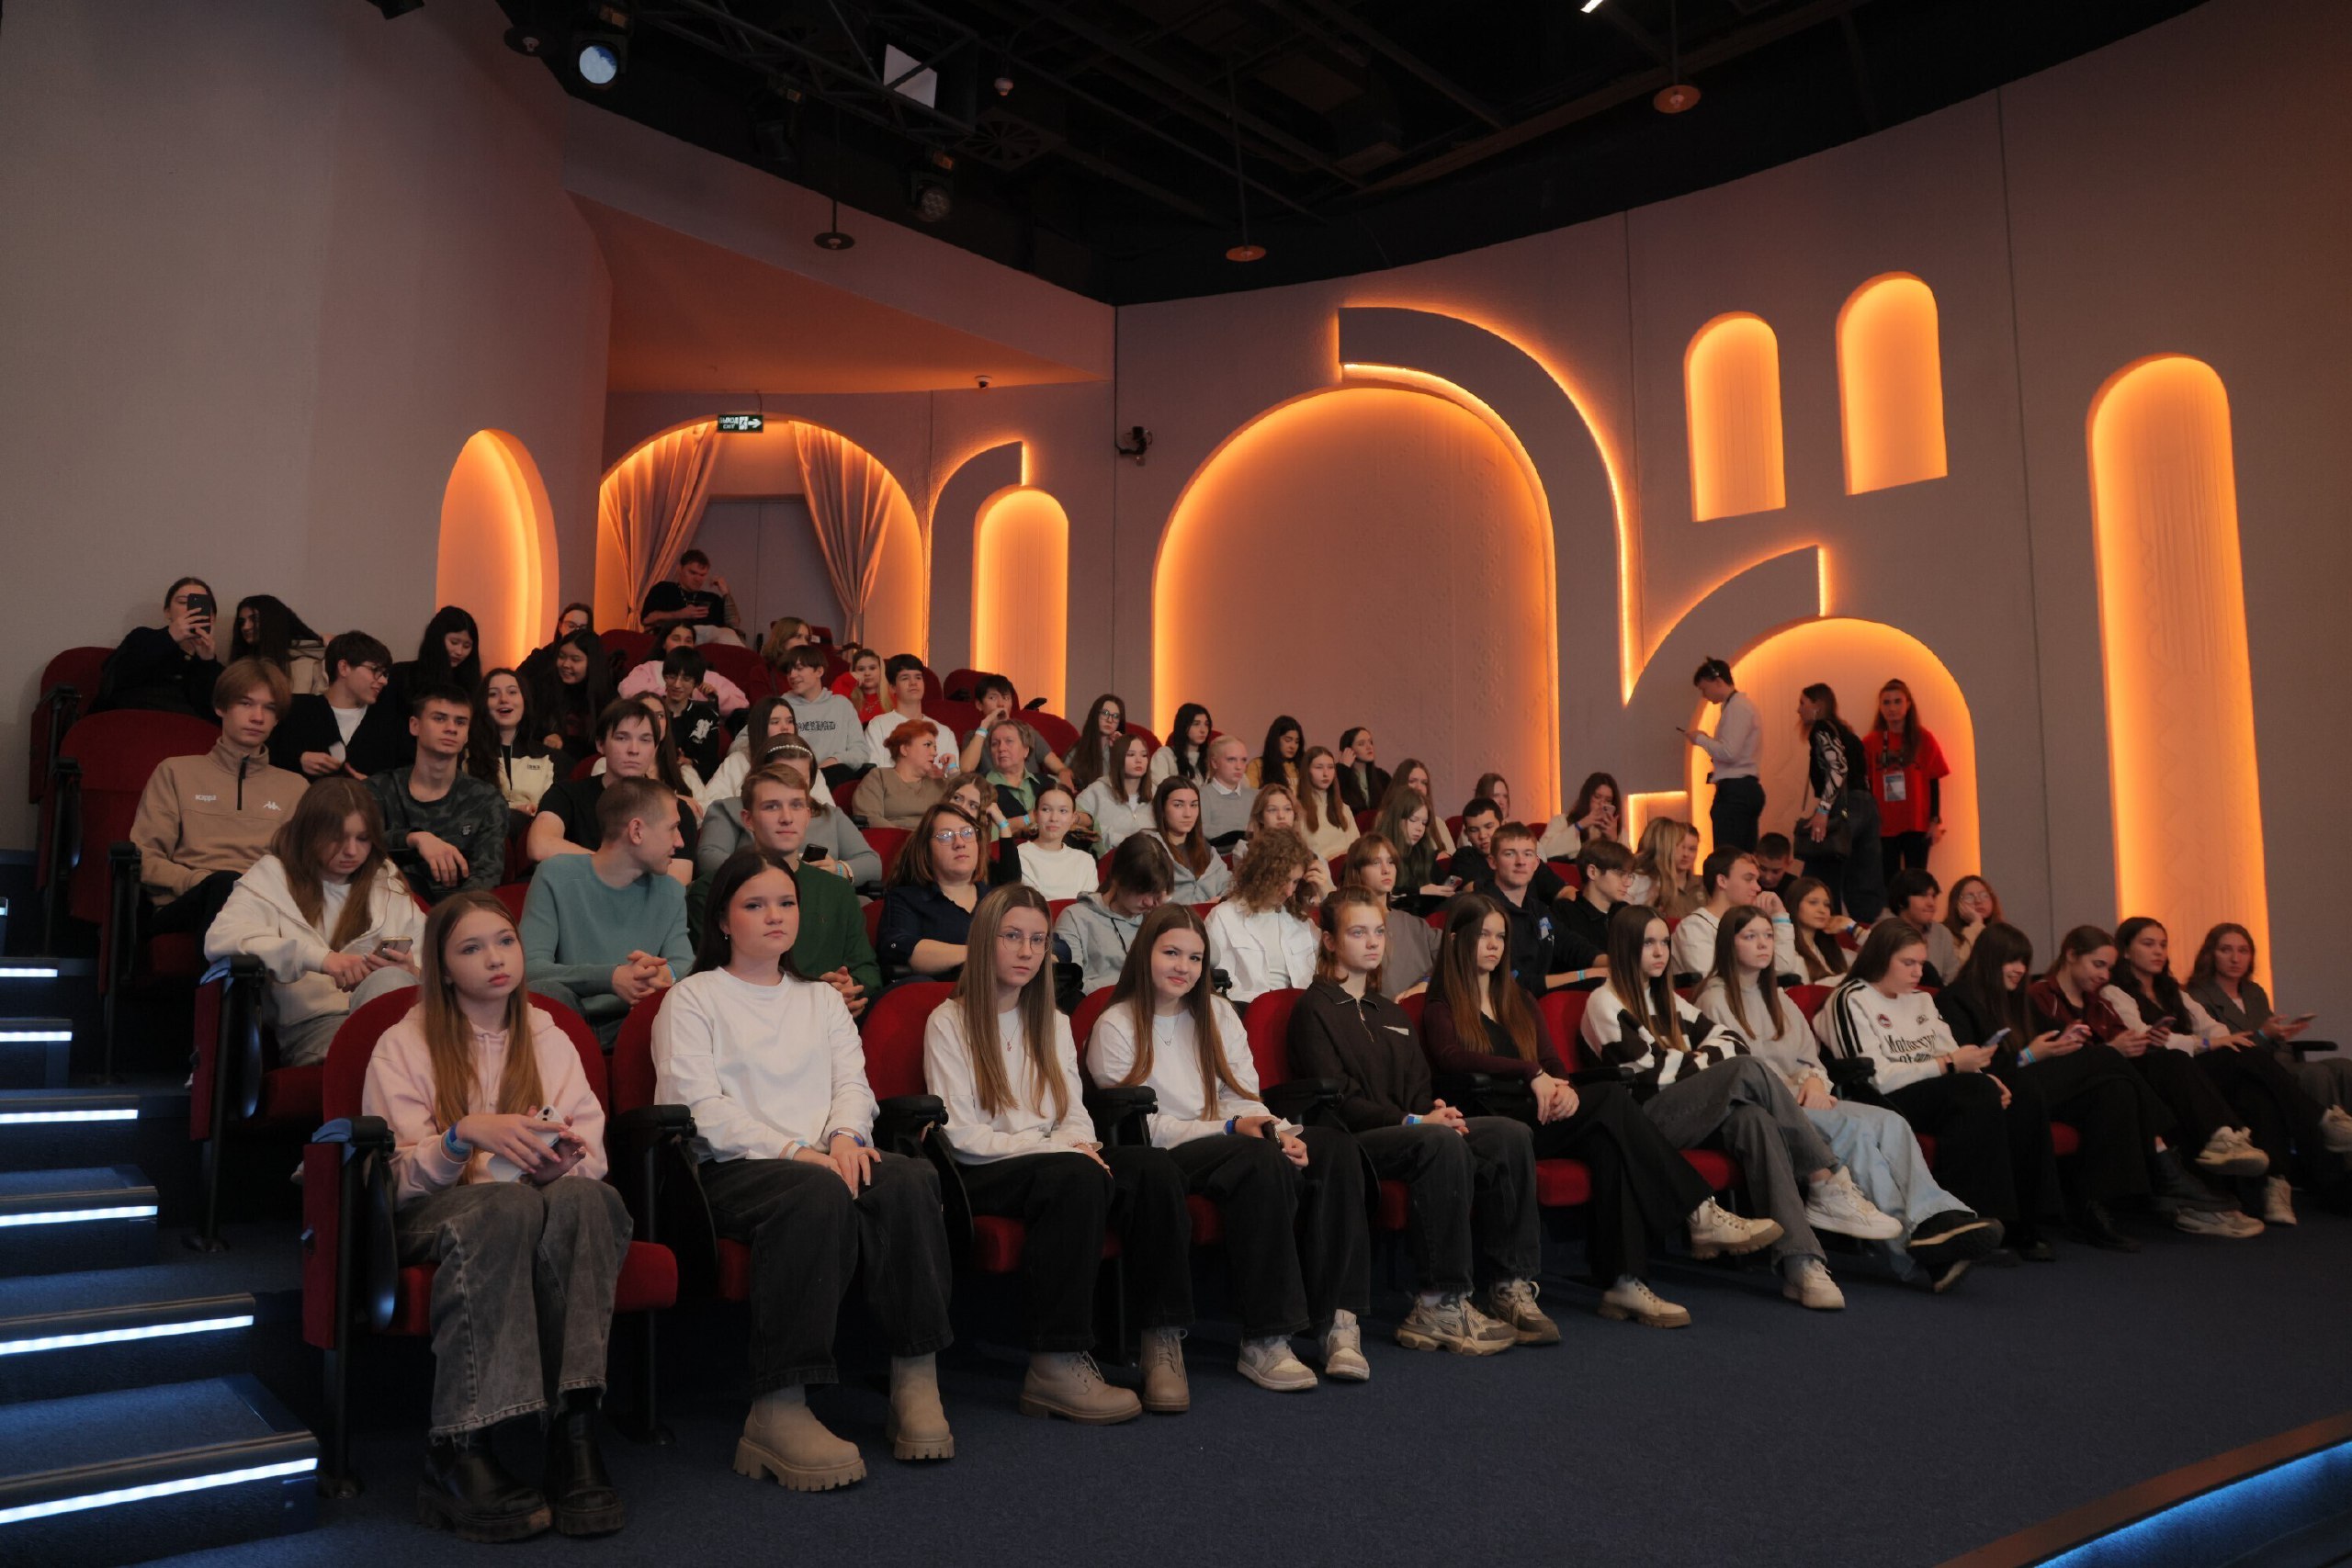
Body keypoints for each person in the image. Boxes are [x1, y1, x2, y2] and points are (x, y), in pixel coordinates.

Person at [653, 849, 954, 1489]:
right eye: (755, 904)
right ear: (723, 920)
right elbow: (699, 1110)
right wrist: (799, 1151)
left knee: (908, 1177)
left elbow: (854, 1083)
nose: (775, 915)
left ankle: (915, 1379)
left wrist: (844, 1136)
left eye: (786, 902)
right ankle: (778, 1406)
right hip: (734, 1169)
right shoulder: (692, 997)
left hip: (823, 1156)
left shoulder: (821, 998)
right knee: (815, 1191)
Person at [362, 892, 628, 1541]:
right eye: (471, 948)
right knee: (504, 1204)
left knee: (590, 1198)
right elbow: (389, 1180)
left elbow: (593, 1153)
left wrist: (558, 1166)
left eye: (505, 941)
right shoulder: (403, 1042)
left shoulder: (549, 1034)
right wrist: (459, 1138)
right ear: (443, 967)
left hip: (526, 1202)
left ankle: (573, 1431)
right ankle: (460, 1445)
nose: (495, 958)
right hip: (429, 1214)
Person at [1428, 897, 1776, 1325]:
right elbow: (1452, 1059)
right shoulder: (1442, 1003)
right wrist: (1531, 1073)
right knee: (1611, 1097)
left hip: (1542, 1112)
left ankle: (1623, 1282)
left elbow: (1551, 1061)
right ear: (1457, 939)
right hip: (1496, 1122)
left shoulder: (1518, 998)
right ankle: (1698, 1210)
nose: (1494, 945)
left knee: (1607, 1141)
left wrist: (1564, 1088)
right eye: (1483, 935)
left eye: (1501, 936)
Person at [926, 885, 1193, 1421]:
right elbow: (961, 1137)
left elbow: (1073, 1112)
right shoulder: (948, 1021)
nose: (1027, 951)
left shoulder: (1053, 1020)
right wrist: (1060, 1149)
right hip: (984, 1169)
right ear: (985, 940)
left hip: (1055, 1160)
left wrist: (1082, 1145)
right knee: (1074, 1175)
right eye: (1012, 937)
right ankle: (1056, 1362)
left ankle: (1161, 1340)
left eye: (1038, 940)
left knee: (1153, 1168)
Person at [1088, 903, 1371, 1389]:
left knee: (1336, 1150)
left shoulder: (1218, 1012)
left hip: (1231, 1135)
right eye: (1171, 953)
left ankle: (1336, 1321)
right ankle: (1266, 1339)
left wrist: (1278, 1131)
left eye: (1195, 958)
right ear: (1144, 953)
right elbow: (1144, 1128)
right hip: (1169, 1152)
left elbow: (1242, 1094)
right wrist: (1233, 1129)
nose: (1183, 967)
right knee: (1258, 1160)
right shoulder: (1116, 1024)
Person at [1582, 904, 1898, 1310]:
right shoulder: (1604, 1001)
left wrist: (1693, 1062)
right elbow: (1650, 1074)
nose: (1661, 952)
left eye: (1664, 942)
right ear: (1626, 947)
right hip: (1644, 1125)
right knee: (1748, 1070)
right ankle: (1825, 1178)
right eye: (1648, 944)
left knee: (1755, 1120)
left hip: (1689, 1111)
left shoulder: (1667, 1000)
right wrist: (1704, 1062)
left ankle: (1801, 1264)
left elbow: (1732, 1041)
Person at [1287, 888, 1547, 1352]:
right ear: (1329, 940)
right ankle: (1437, 1303)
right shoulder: (1314, 1008)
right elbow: (1340, 1100)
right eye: (1358, 932)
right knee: (1437, 1141)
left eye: (1379, 931)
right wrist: (1416, 1121)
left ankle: (1510, 1284)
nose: (1373, 941)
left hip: (1408, 1130)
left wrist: (1434, 1112)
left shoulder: (1389, 1010)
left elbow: (1420, 1085)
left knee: (1508, 1134)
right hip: (1354, 1140)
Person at [1697, 908, 1999, 1290]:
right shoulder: (1714, 998)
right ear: (1729, 943)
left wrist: (1814, 1080)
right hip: (1765, 1107)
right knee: (1854, 1132)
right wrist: (1799, 1087)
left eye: (1768, 936)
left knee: (1890, 1121)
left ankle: (1939, 1218)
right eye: (1750, 936)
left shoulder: (1778, 997)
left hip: (1807, 1097)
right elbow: (1737, 1071)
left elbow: (1810, 1059)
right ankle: (1916, 1249)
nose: (1763, 945)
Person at [1941, 921, 2241, 1249]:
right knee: (2109, 1058)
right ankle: (2164, 1160)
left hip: (2035, 1084)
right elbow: (1970, 1068)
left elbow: (2052, 1032)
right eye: (2011, 961)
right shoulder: (1956, 998)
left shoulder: (2015, 999)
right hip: (2001, 1087)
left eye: (2024, 962)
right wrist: (2029, 1055)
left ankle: (2092, 1208)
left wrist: (2069, 1037)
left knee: (2115, 1089)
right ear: (1989, 959)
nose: (2020, 969)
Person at [1815, 920, 2061, 1261]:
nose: (1918, 972)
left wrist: (1986, 1078)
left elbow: (1954, 1054)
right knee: (1972, 1094)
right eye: (1908, 963)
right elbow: (1873, 1079)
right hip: (1883, 1097)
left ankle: (2027, 1220)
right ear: (1881, 958)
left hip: (1936, 1085)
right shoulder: (1851, 998)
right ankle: (1975, 1217)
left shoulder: (1921, 1001)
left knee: (2022, 1089)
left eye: (1921, 963)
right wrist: (1948, 1066)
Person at [2028, 926, 2269, 1235]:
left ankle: (2195, 1170)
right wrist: (2114, 1049)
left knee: (2171, 1063)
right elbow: (2057, 1059)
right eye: (2098, 965)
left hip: (2108, 1082)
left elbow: (2123, 1043)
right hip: (2061, 1086)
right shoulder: (2040, 996)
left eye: (2109, 968)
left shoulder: (2098, 1002)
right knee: (2134, 1074)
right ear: (2071, 955)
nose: (2104, 975)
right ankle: (2177, 1167)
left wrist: (2138, 1043)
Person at [2108, 917, 2343, 1224]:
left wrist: (2216, 1040)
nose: (2158, 952)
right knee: (2237, 1053)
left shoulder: (2172, 990)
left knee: (2252, 1080)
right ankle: (2320, 1121)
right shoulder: (2115, 992)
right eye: (2148, 944)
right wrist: (2206, 1043)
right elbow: (2149, 1039)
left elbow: (2214, 1028)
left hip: (2195, 1070)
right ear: (2126, 951)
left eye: (2163, 945)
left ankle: (2276, 1183)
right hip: (2158, 1075)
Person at [204, 777, 424, 1066]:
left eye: (363, 838)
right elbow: (220, 940)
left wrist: (415, 972)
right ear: (309, 833)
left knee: (392, 981)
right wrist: (321, 959)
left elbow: (440, 961)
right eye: (337, 838)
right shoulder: (273, 876)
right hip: (317, 1028)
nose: (351, 851)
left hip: (393, 1022)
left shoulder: (386, 881)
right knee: (393, 1051)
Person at [130, 659, 308, 941]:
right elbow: (144, 856)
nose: (258, 717)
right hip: (190, 900)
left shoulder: (295, 786)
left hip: (265, 905)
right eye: (246, 704)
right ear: (221, 707)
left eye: (269, 708)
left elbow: (303, 868)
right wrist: (198, 880)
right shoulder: (175, 771)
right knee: (225, 885)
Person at [685, 768, 878, 1017]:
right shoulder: (713, 889)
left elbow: (867, 969)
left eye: (796, 805)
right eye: (772, 807)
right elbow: (709, 974)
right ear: (748, 819)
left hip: (829, 1023)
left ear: (808, 816)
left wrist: (851, 987)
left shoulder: (838, 889)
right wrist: (809, 995)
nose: (786, 818)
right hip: (744, 1020)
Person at [519, 778, 692, 1044]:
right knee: (545, 992)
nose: (680, 842)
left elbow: (685, 964)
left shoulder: (671, 891)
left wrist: (663, 974)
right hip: (566, 1022)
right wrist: (611, 978)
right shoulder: (555, 875)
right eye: (673, 828)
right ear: (636, 831)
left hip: (637, 1026)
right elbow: (530, 969)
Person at [2190, 922, 2352, 1130]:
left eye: (2243, 951)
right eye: (2226, 950)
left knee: (2343, 1066)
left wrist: (2281, 1036)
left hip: (2275, 1060)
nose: (2235, 959)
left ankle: (2346, 1135)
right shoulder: (2199, 996)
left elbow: (2271, 1036)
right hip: (2243, 1072)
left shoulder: (2254, 992)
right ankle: (2326, 1138)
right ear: (2211, 954)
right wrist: (2263, 1034)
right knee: (2316, 1073)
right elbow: (2226, 1052)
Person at [530, 701, 699, 883]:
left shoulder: (677, 809)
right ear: (600, 744)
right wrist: (616, 866)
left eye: (645, 740)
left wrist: (603, 866)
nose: (634, 750)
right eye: (622, 738)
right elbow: (540, 846)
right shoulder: (567, 794)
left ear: (655, 748)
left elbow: (676, 881)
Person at [370, 684, 507, 907]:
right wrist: (414, 838)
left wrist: (448, 917)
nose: (451, 728)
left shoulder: (487, 799)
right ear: (415, 725)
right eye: (439, 718)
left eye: (460, 722)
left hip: (460, 913)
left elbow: (487, 875)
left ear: (467, 734)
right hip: (388, 907)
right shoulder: (380, 789)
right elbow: (359, 845)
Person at [696, 743, 882, 896]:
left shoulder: (831, 815)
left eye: (800, 778)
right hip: (750, 892)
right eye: (783, 773)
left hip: (821, 895)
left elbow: (871, 862)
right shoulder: (729, 808)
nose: (791, 782)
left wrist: (838, 870)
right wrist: (762, 872)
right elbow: (708, 858)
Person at [1794, 682, 1884, 921]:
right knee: (1862, 876)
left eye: (1803, 703)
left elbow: (1838, 767)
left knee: (1821, 871)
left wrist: (1823, 810)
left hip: (1845, 807)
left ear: (1817, 705)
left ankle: (1821, 928)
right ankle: (1862, 931)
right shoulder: (1846, 731)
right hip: (1867, 806)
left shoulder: (1821, 728)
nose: (1798, 709)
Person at [1483, 823, 1602, 995]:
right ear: (1493, 862)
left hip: (1536, 999)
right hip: (1505, 1002)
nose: (1520, 862)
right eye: (1510, 854)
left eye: (1528, 854)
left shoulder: (1537, 909)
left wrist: (1613, 965)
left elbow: (1571, 945)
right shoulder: (1482, 911)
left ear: (1536, 863)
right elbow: (1514, 982)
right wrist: (1585, 975)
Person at [271, 631, 409, 779]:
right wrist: (298, 760)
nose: (384, 681)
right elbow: (263, 755)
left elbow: (405, 774)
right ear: (344, 667)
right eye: (375, 670)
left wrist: (377, 785)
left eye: (385, 674)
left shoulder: (390, 723)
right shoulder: (294, 710)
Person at [1204, 831, 1320, 1006]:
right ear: (1261, 874)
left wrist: (1326, 893)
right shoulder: (1223, 917)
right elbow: (1223, 987)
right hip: (1248, 1011)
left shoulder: (1299, 919)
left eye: (1295, 882)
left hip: (1303, 1010)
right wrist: (1267, 1006)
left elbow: (1333, 966)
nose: (1289, 891)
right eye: (1282, 881)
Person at [876, 802, 987, 984]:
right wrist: (984, 953)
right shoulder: (906, 899)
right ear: (926, 850)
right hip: (938, 995)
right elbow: (900, 947)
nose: (960, 843)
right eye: (945, 836)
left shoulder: (1000, 899)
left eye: (967, 833)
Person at [1052, 835, 1173, 999]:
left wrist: (1164, 917)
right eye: (1141, 891)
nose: (1149, 902)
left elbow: (1203, 961)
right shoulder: (1076, 917)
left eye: (1155, 894)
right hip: (1099, 1006)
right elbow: (1072, 987)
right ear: (1117, 879)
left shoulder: (1154, 920)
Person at [96, 577, 224, 716]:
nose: (190, 609)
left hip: (183, 726)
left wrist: (207, 661)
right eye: (182, 602)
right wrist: (169, 637)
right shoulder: (142, 637)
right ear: (167, 611)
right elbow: (113, 680)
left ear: (212, 617)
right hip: (129, 719)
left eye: (201, 604)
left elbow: (215, 713)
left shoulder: (215, 668)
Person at [1672, 848, 1798, 984]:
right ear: (1722, 881)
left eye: (1756, 880)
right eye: (1748, 879)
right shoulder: (1695, 927)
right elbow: (1710, 979)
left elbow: (1783, 967)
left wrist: (1780, 915)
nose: (1758, 888)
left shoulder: (1751, 924)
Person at [1869, 678, 1950, 881]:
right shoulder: (1871, 742)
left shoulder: (1924, 739)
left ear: (1908, 704)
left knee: (1917, 882)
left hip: (1917, 824)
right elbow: (1865, 785)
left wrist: (1934, 821)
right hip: (1884, 826)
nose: (1892, 708)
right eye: (1886, 702)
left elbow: (1934, 782)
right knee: (1889, 883)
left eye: (1898, 701)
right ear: (1880, 707)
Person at [1340, 834, 1436, 1000]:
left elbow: (1456, 954)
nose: (1386, 870)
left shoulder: (1414, 923)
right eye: (1376, 862)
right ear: (1358, 871)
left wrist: (1426, 982)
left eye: (1391, 862)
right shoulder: (1350, 927)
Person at [1684, 658, 1764, 852]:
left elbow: (1729, 752)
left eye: (1704, 689)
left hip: (1736, 790)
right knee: (1739, 854)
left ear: (1718, 681)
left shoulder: (1738, 707)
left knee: (1729, 855)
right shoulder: (1736, 706)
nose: (1704, 695)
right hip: (1741, 789)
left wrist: (1701, 740)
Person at [709, 697, 842, 813]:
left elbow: (828, 812)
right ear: (759, 728)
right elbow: (710, 806)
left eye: (790, 721)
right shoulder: (737, 761)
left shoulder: (805, 763)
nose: (785, 727)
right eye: (775, 722)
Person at [780, 647, 872, 789]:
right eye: (789, 670)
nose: (792, 675)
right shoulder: (780, 705)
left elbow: (861, 752)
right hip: (793, 780)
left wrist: (835, 759)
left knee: (843, 772)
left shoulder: (841, 705)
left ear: (819, 671)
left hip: (833, 776)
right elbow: (748, 739)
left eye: (799, 668)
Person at [471, 667, 557, 817]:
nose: (504, 699)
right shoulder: (467, 754)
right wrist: (513, 809)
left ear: (524, 700)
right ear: (483, 703)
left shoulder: (548, 756)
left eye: (512, 692)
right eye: (493, 694)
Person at [533, 628, 617, 771]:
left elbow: (601, 745)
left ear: (592, 663)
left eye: (575, 659)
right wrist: (547, 737)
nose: (566, 664)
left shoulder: (607, 699)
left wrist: (563, 742)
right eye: (561, 656)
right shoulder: (544, 686)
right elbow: (532, 727)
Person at [1237, 783, 1335, 902]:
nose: (1281, 816)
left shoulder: (1312, 857)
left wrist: (1325, 892)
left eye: (1288, 809)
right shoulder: (1246, 852)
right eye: (1272, 810)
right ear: (1261, 817)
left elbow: (1334, 902)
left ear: (1295, 816)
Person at [619, 629, 748, 720]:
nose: (682, 644)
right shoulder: (650, 667)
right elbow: (627, 689)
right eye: (676, 639)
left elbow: (742, 703)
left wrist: (712, 697)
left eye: (688, 641)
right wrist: (671, 693)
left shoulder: (709, 675)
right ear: (664, 643)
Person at [1458, 799, 1568, 904]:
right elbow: (1475, 895)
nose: (1482, 836)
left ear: (1502, 825)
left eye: (1489, 827)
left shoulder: (1526, 858)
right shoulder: (1464, 857)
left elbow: (1565, 891)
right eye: (1474, 830)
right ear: (1467, 834)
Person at [852, 719, 951, 829]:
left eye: (935, 748)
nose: (935, 753)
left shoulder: (938, 783)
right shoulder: (879, 777)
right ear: (904, 749)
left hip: (934, 838)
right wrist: (908, 836)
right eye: (927, 745)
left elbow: (961, 813)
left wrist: (952, 770)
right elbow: (870, 818)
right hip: (891, 838)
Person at [1369, 786, 1456, 910]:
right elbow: (1382, 895)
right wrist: (1419, 891)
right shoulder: (1376, 852)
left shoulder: (1424, 853)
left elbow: (1441, 886)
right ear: (1396, 819)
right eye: (1413, 820)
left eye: (1424, 823)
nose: (1420, 828)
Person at [390, 606, 482, 720]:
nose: (459, 651)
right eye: (454, 642)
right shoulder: (402, 675)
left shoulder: (472, 684)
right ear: (436, 639)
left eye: (467, 646)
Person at [1151, 778, 1232, 906]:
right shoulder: (1150, 848)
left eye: (1194, 805)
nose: (1188, 814)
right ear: (1162, 808)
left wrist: (1221, 900)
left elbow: (1229, 886)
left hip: (1212, 915)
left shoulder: (1206, 849)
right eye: (1178, 805)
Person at [639, 547, 742, 645]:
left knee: (729, 633)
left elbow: (734, 625)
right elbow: (647, 620)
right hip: (673, 640)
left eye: (702, 575)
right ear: (680, 569)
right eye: (693, 573)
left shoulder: (712, 598)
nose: (698, 579)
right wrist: (680, 614)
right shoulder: (664, 589)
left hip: (706, 647)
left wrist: (725, 593)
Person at [1872, 869, 1960, 985]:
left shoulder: (1942, 933)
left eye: (1934, 896)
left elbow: (1952, 981)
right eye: (1923, 896)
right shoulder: (1882, 931)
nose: (1931, 903)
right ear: (1901, 901)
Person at [865, 656, 951, 772]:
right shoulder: (877, 726)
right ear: (892, 688)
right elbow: (874, 773)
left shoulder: (944, 732)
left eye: (918, 677)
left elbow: (953, 778)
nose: (913, 683)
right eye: (905, 678)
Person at [230, 594, 327, 695]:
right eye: (241, 622)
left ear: (273, 621)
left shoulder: (311, 664)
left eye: (254, 619)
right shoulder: (242, 666)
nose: (245, 627)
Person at [1076, 733, 1155, 855]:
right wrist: (1119, 839)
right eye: (1131, 754)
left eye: (1144, 755)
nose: (1139, 760)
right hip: (1108, 860)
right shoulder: (1097, 791)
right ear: (1118, 758)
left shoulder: (1156, 792)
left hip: (1150, 859)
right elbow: (1075, 823)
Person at [1555, 838, 1634, 960]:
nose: (1627, 883)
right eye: (1620, 874)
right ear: (1593, 872)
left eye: (1629, 876)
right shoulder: (1565, 913)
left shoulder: (1625, 912)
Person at [1017, 784, 1097, 900]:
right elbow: (1032, 904)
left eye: (1063, 811)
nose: (1054, 818)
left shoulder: (1085, 861)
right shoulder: (1020, 855)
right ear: (1036, 814)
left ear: (1073, 818)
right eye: (1046, 809)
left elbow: (1088, 908)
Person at [980, 721, 1047, 841]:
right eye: (995, 744)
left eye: (1009, 741)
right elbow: (978, 832)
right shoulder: (978, 786)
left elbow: (1078, 816)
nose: (1001, 748)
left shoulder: (1048, 782)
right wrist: (1027, 819)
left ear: (1026, 750)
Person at [1537, 772, 1622, 862]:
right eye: (1597, 797)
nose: (1602, 804)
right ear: (1587, 797)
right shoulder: (1561, 821)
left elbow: (1627, 866)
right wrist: (1580, 825)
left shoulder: (1618, 831)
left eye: (1608, 800)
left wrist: (1613, 841)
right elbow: (1543, 852)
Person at [1626, 818, 1700, 921]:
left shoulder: (1661, 879)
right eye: (1677, 845)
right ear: (1664, 846)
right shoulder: (1636, 879)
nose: (1684, 853)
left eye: (1691, 849)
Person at [1783, 875, 1854, 982]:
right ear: (1794, 905)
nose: (1822, 910)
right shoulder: (1785, 949)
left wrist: (1853, 928)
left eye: (1827, 905)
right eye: (1813, 902)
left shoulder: (1830, 950)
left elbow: (1876, 959)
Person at [1296, 747, 1360, 861]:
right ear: (1307, 771)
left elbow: (1357, 847)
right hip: (1317, 868)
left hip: (1347, 866)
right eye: (1319, 767)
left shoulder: (1344, 808)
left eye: (1330, 767)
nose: (1326, 773)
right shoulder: (1297, 810)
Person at [517, 603, 594, 697]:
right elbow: (517, 682)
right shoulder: (540, 657)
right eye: (571, 626)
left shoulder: (594, 660)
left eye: (582, 628)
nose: (576, 632)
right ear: (560, 626)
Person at [1385, 759, 1454, 855]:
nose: (1419, 787)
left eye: (1424, 783)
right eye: (1412, 781)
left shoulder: (1438, 822)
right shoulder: (1386, 818)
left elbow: (1451, 858)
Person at [1199, 736, 1256, 848]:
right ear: (1214, 763)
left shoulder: (1257, 796)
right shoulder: (1200, 796)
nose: (1239, 767)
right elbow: (1202, 832)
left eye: (1243, 760)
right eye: (1231, 759)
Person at [1066, 694, 1129, 794]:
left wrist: (1122, 749)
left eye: (1116, 716)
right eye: (1105, 713)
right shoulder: (1078, 750)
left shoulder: (1122, 749)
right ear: (1095, 715)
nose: (1110, 720)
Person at [1942, 874, 2002, 971]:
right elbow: (1960, 968)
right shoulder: (1945, 934)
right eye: (1969, 897)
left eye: (1984, 895)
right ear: (1956, 903)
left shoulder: (2002, 932)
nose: (1978, 901)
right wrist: (1976, 924)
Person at [1149, 703, 1214, 788]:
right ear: (1183, 726)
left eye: (1206, 724)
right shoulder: (1164, 755)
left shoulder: (1210, 757)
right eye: (1196, 724)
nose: (1203, 730)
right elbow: (1162, 788)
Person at [1335, 727, 1390, 818]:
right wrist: (1343, 769)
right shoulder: (1337, 773)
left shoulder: (1382, 776)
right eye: (1361, 744)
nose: (1369, 747)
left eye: (1370, 742)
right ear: (1348, 750)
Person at [1247, 716, 1305, 792]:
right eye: (1288, 740)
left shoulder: (1302, 766)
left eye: (1297, 742)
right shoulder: (1258, 765)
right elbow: (1250, 795)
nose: (1293, 746)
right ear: (1275, 739)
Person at [838, 647, 888, 724]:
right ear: (854, 672)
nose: (867, 673)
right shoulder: (848, 699)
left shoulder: (894, 699)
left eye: (872, 668)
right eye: (861, 669)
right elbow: (831, 710)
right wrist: (847, 679)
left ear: (881, 670)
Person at [1752, 832, 1797, 896]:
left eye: (1775, 872)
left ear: (1788, 864)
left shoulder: (1795, 888)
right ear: (1754, 859)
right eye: (1763, 869)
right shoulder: (1745, 882)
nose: (1768, 878)